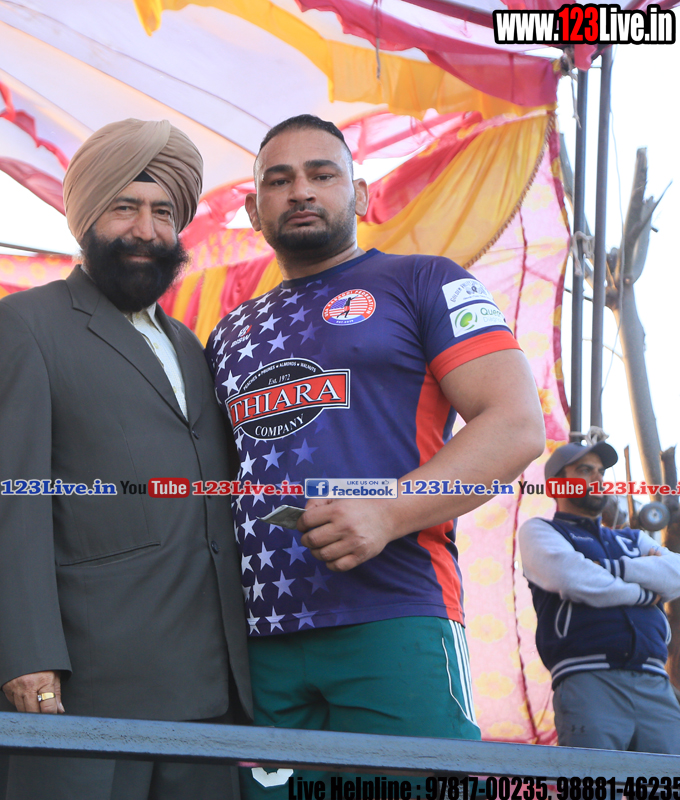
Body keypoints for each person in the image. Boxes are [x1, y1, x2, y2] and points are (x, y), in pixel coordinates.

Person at [204, 114, 545, 795]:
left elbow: (514, 426)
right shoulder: (226, 331)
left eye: (322, 174)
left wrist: (388, 512)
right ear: (253, 209)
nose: (301, 191)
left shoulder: (426, 281)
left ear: (359, 196)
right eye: (279, 180)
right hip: (256, 641)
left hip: (395, 615)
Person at [0, 118, 251, 800]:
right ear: (87, 218)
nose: (145, 230)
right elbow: (0, 503)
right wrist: (28, 658)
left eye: (163, 213)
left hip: (208, 694)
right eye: (125, 208)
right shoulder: (25, 324)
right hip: (82, 690)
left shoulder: (191, 347)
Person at [519, 440, 680, 754]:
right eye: (585, 470)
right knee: (595, 780)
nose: (598, 478)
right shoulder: (541, 531)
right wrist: (645, 593)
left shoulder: (632, 538)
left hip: (655, 682)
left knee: (671, 781)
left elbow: (679, 575)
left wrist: (611, 568)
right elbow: (574, 579)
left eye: (600, 471)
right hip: (587, 677)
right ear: (556, 485)